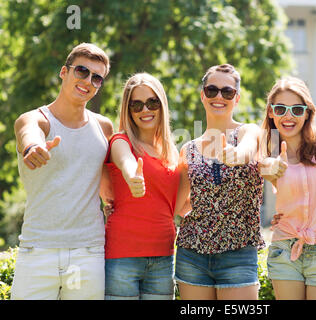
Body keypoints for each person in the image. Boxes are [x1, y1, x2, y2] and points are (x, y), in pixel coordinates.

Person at [12, 43, 113, 299]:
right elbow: (29, 133)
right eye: (81, 71)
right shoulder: (35, 119)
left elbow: (107, 185)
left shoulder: (104, 127)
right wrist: (33, 148)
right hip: (38, 249)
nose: (88, 81)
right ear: (64, 72)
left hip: (87, 252)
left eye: (97, 77)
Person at [174, 64, 265, 300]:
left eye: (227, 92)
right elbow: (179, 206)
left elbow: (246, 150)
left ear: (237, 98)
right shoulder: (189, 149)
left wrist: (236, 155)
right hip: (192, 254)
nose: (219, 97)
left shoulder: (249, 132)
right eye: (212, 90)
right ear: (203, 94)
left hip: (238, 253)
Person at [259, 77, 316, 300]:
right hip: (285, 248)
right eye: (281, 109)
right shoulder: (269, 153)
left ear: (307, 112)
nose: (288, 116)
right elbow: (265, 171)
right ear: (271, 112)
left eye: (297, 109)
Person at [103, 73, 180, 300]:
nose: (145, 110)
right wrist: (132, 177)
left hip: (164, 256)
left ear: (162, 105)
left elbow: (178, 204)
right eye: (136, 105)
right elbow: (126, 162)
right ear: (128, 111)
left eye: (152, 102)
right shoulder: (121, 141)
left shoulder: (172, 153)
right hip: (122, 256)